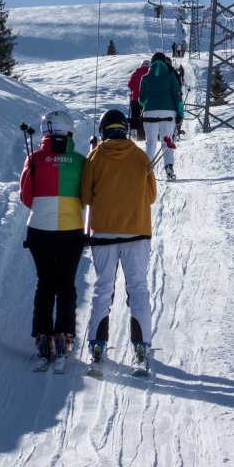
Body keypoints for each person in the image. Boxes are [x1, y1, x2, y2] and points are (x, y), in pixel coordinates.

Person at [81, 108, 157, 372]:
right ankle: (141, 346)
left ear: (103, 130)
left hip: (103, 234)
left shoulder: (95, 156)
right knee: (138, 288)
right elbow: (151, 196)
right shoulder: (140, 156)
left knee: (103, 289)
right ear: (125, 129)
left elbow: (86, 197)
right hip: (137, 233)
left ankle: (97, 345)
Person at [19, 110, 86, 363]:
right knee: (66, 285)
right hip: (71, 230)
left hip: (39, 230)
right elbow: (86, 197)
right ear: (69, 132)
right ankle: (64, 335)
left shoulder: (33, 159)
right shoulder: (80, 161)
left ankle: (42, 336)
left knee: (45, 283)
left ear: (45, 131)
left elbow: (26, 197)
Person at [139, 52, 183, 179]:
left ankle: (147, 170)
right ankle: (169, 167)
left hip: (150, 113)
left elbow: (141, 100)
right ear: (164, 62)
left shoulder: (145, 78)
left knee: (151, 142)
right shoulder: (170, 76)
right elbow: (177, 97)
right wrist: (180, 114)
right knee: (166, 141)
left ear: (151, 63)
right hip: (168, 113)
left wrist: (151, 98)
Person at [127, 59, 150, 140]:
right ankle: (147, 133)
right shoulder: (150, 73)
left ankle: (134, 133)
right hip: (147, 99)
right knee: (147, 115)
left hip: (135, 98)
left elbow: (130, 85)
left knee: (134, 115)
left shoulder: (136, 73)